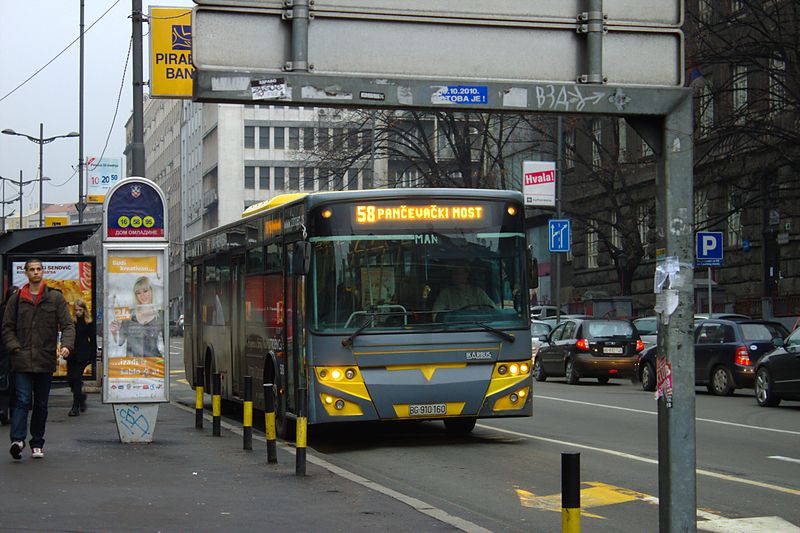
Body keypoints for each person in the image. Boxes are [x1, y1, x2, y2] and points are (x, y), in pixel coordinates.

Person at [2, 259, 75, 460]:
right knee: (23, 400)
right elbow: (7, 327)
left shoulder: (55, 298)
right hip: (22, 359)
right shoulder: (16, 300)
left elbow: (68, 325)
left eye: (38, 269)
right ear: (26, 273)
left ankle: (37, 443)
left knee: (41, 404)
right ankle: (17, 440)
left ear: (43, 272)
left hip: (45, 359)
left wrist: (67, 345)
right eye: (32, 270)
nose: (36, 272)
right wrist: (14, 346)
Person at [110, 276, 164, 358]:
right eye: (138, 293)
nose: (142, 295)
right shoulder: (129, 315)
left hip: (154, 365)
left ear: (152, 291)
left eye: (145, 291)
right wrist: (114, 332)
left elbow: (164, 345)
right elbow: (120, 343)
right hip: (134, 365)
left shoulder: (160, 316)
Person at [66, 299, 96, 417]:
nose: (78, 312)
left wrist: (93, 357)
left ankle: (75, 406)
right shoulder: (71, 322)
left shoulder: (88, 322)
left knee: (76, 378)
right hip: (72, 353)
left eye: (80, 310)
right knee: (70, 380)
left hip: (83, 353)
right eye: (76, 310)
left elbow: (92, 340)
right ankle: (81, 397)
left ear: (84, 310)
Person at [0, 287, 18, 426]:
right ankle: (8, 411)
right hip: (11, 352)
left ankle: (4, 410)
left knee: (5, 382)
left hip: (7, 352)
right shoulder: (16, 312)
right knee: (11, 383)